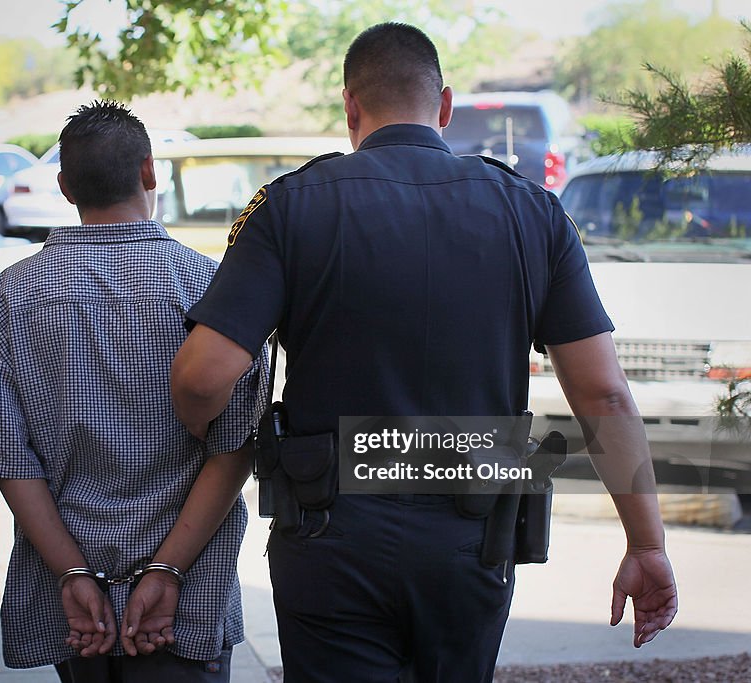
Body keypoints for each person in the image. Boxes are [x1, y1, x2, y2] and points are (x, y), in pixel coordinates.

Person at [171, 22, 678, 683]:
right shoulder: (534, 212)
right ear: (444, 106)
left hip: (332, 538)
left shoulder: (291, 206)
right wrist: (646, 541)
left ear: (350, 107)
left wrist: (190, 419)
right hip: (471, 539)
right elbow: (603, 394)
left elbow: (204, 377)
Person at [0, 100, 266, 682]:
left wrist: (72, 575)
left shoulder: (14, 295)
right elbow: (236, 447)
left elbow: (7, 457)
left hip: (74, 613)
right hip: (186, 600)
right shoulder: (212, 287)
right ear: (150, 172)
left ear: (65, 188)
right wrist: (167, 571)